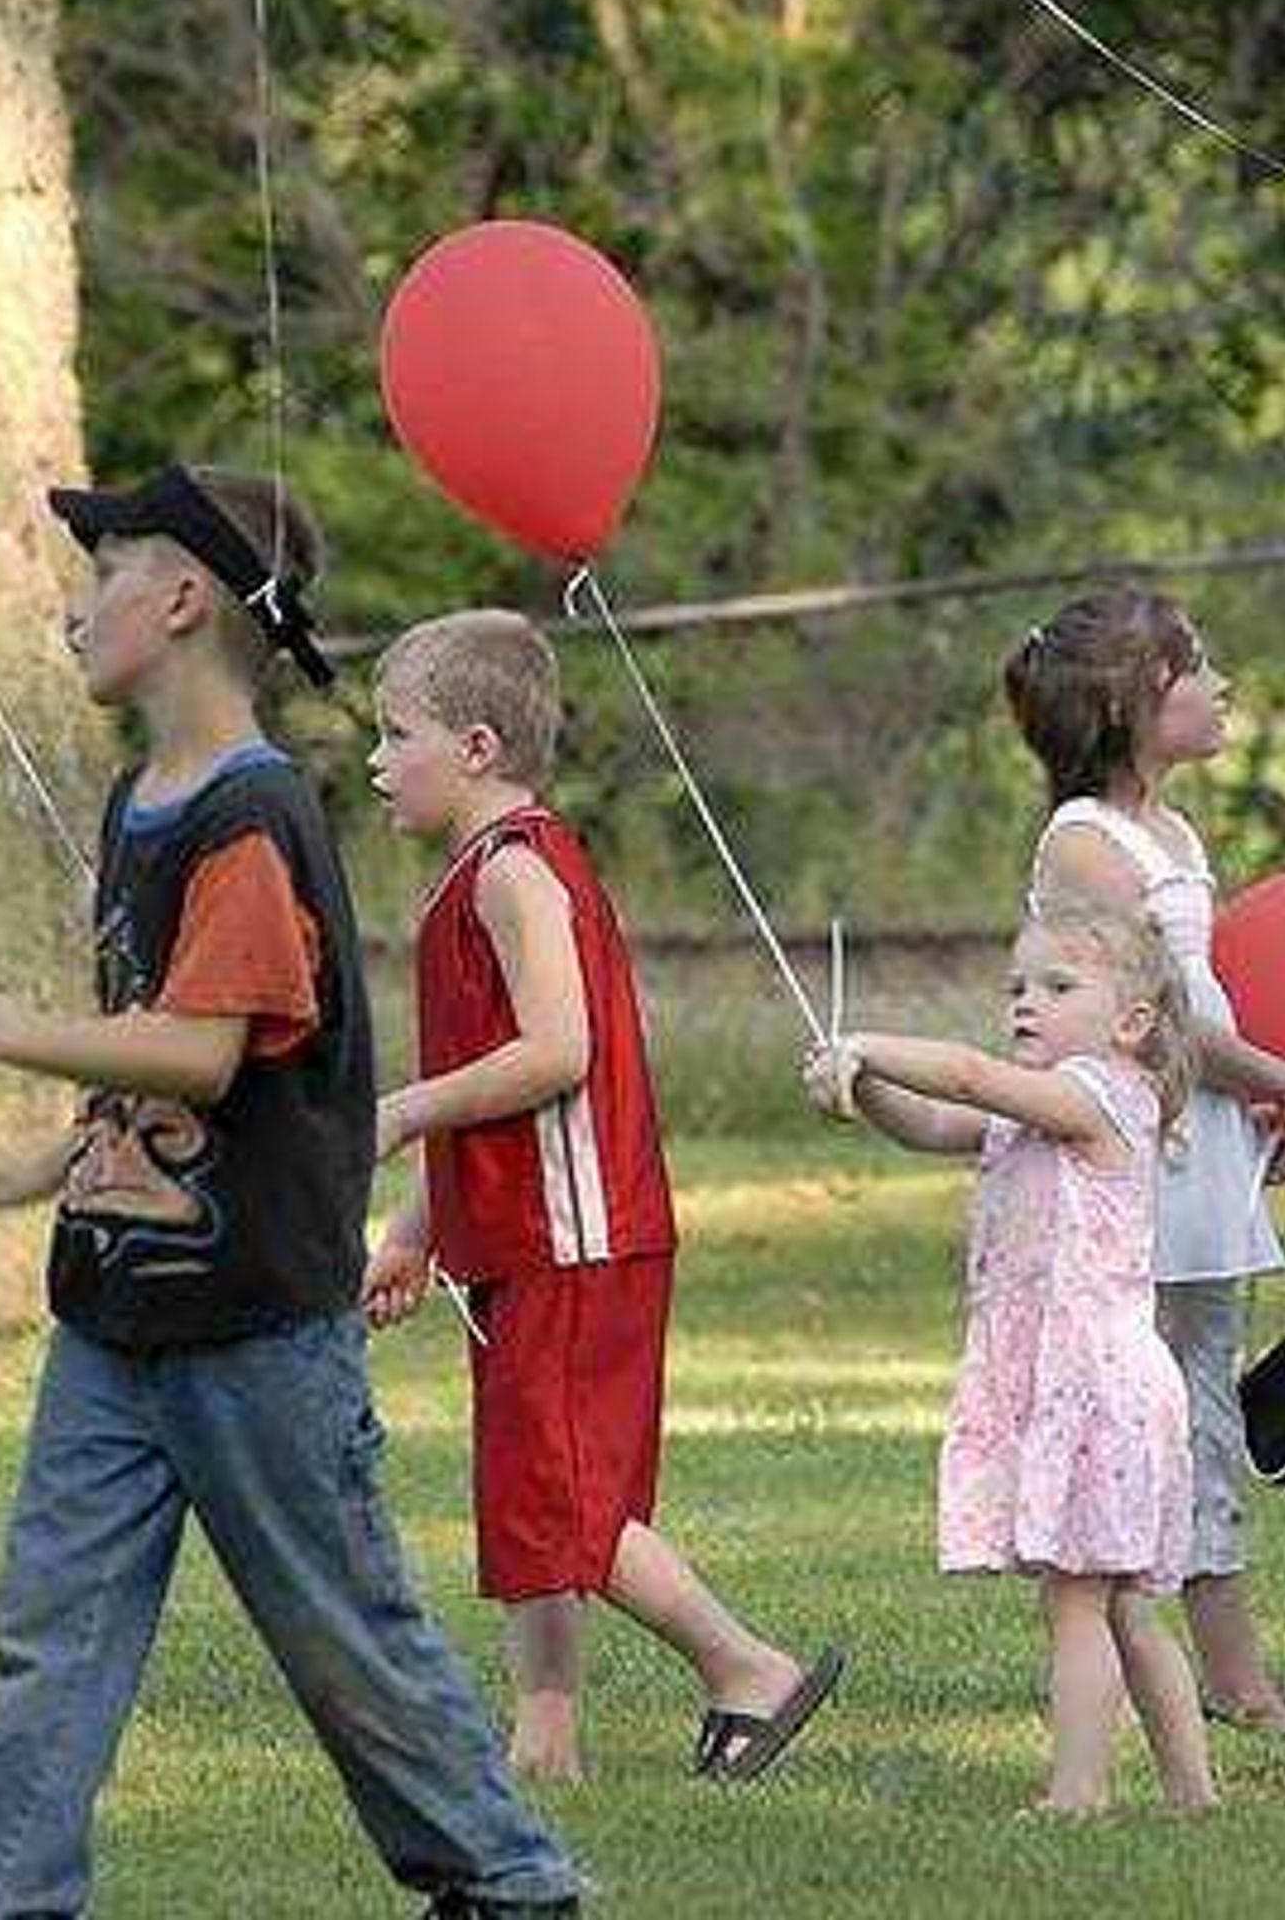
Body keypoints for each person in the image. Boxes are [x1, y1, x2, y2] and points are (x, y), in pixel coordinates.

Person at [0, 464, 580, 1919]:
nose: (76, 610)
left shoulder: (249, 813)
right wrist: (33, 1168)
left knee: (345, 1636)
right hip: (117, 1321)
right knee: (53, 1636)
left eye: (103, 571)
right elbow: (162, 1068)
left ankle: (507, 1882)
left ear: (182, 598)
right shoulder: (143, 800)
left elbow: (201, 1050)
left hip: (258, 1328)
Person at [359, 607, 843, 1785]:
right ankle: (547, 1731)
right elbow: (498, 1074)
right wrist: (417, 1230)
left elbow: (558, 1050)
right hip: (520, 1241)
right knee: (533, 1487)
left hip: (576, 1234)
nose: (375, 761)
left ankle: (747, 1668)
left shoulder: (517, 873)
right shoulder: (481, 873)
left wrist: (404, 1109)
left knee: (563, 1497)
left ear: (476, 747)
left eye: (394, 734)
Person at [1007, 591, 1285, 1734]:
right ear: (1127, 703)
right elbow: (1160, 1017)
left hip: (1195, 1151)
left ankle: (1233, 1676)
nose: (1219, 686)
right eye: (1194, 669)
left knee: (1204, 1398)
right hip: (1130, 1167)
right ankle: (1177, 1663)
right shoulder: (1087, 845)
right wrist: (1275, 1079)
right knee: (1151, 1406)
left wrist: (1249, 1122)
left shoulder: (1173, 836)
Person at [803, 899, 1215, 1815]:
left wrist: (866, 1041)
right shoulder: (1031, 1110)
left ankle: (1078, 1795)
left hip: (1098, 1391)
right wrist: (859, 1084)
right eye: (1017, 987)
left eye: (1057, 987)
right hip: (1076, 1384)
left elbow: (961, 1074)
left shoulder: (1103, 1095)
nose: (1026, 1002)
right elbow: (927, 1121)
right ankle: (1195, 1796)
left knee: (1079, 1603)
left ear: (1131, 1021)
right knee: (1118, 1607)